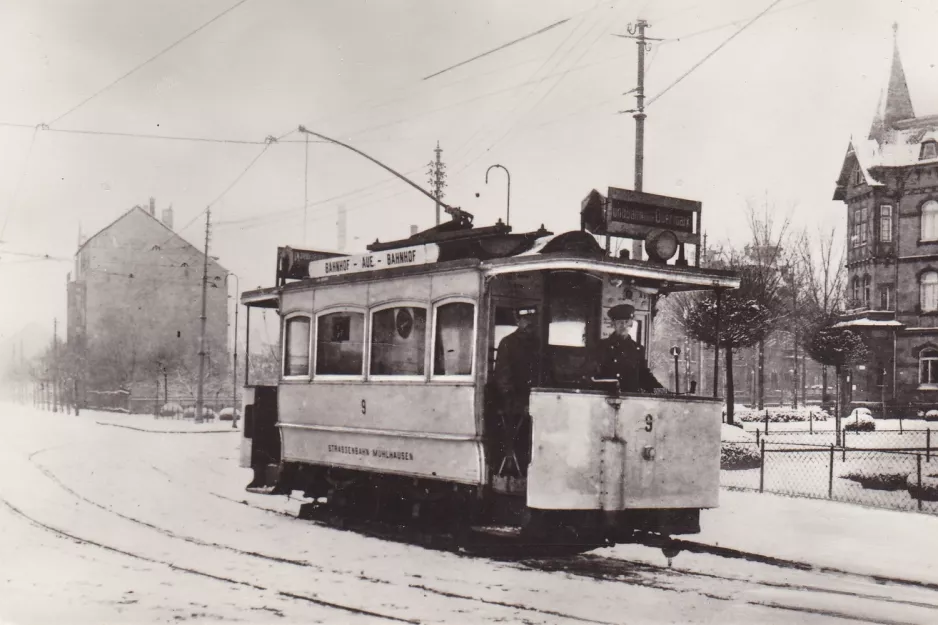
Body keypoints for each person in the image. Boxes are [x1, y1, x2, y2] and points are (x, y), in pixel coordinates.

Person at [492, 307, 540, 475]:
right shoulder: (507, 343)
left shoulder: (538, 344)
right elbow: (503, 377)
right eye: (525, 320)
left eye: (532, 319)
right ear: (518, 322)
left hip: (536, 400)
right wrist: (519, 403)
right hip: (513, 404)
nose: (529, 323)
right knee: (518, 440)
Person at [593, 304, 668, 395]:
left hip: (630, 401)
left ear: (631, 324)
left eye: (626, 321)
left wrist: (664, 392)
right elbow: (594, 373)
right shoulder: (602, 346)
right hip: (605, 398)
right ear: (613, 324)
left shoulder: (638, 349)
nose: (623, 325)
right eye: (620, 322)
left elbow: (644, 377)